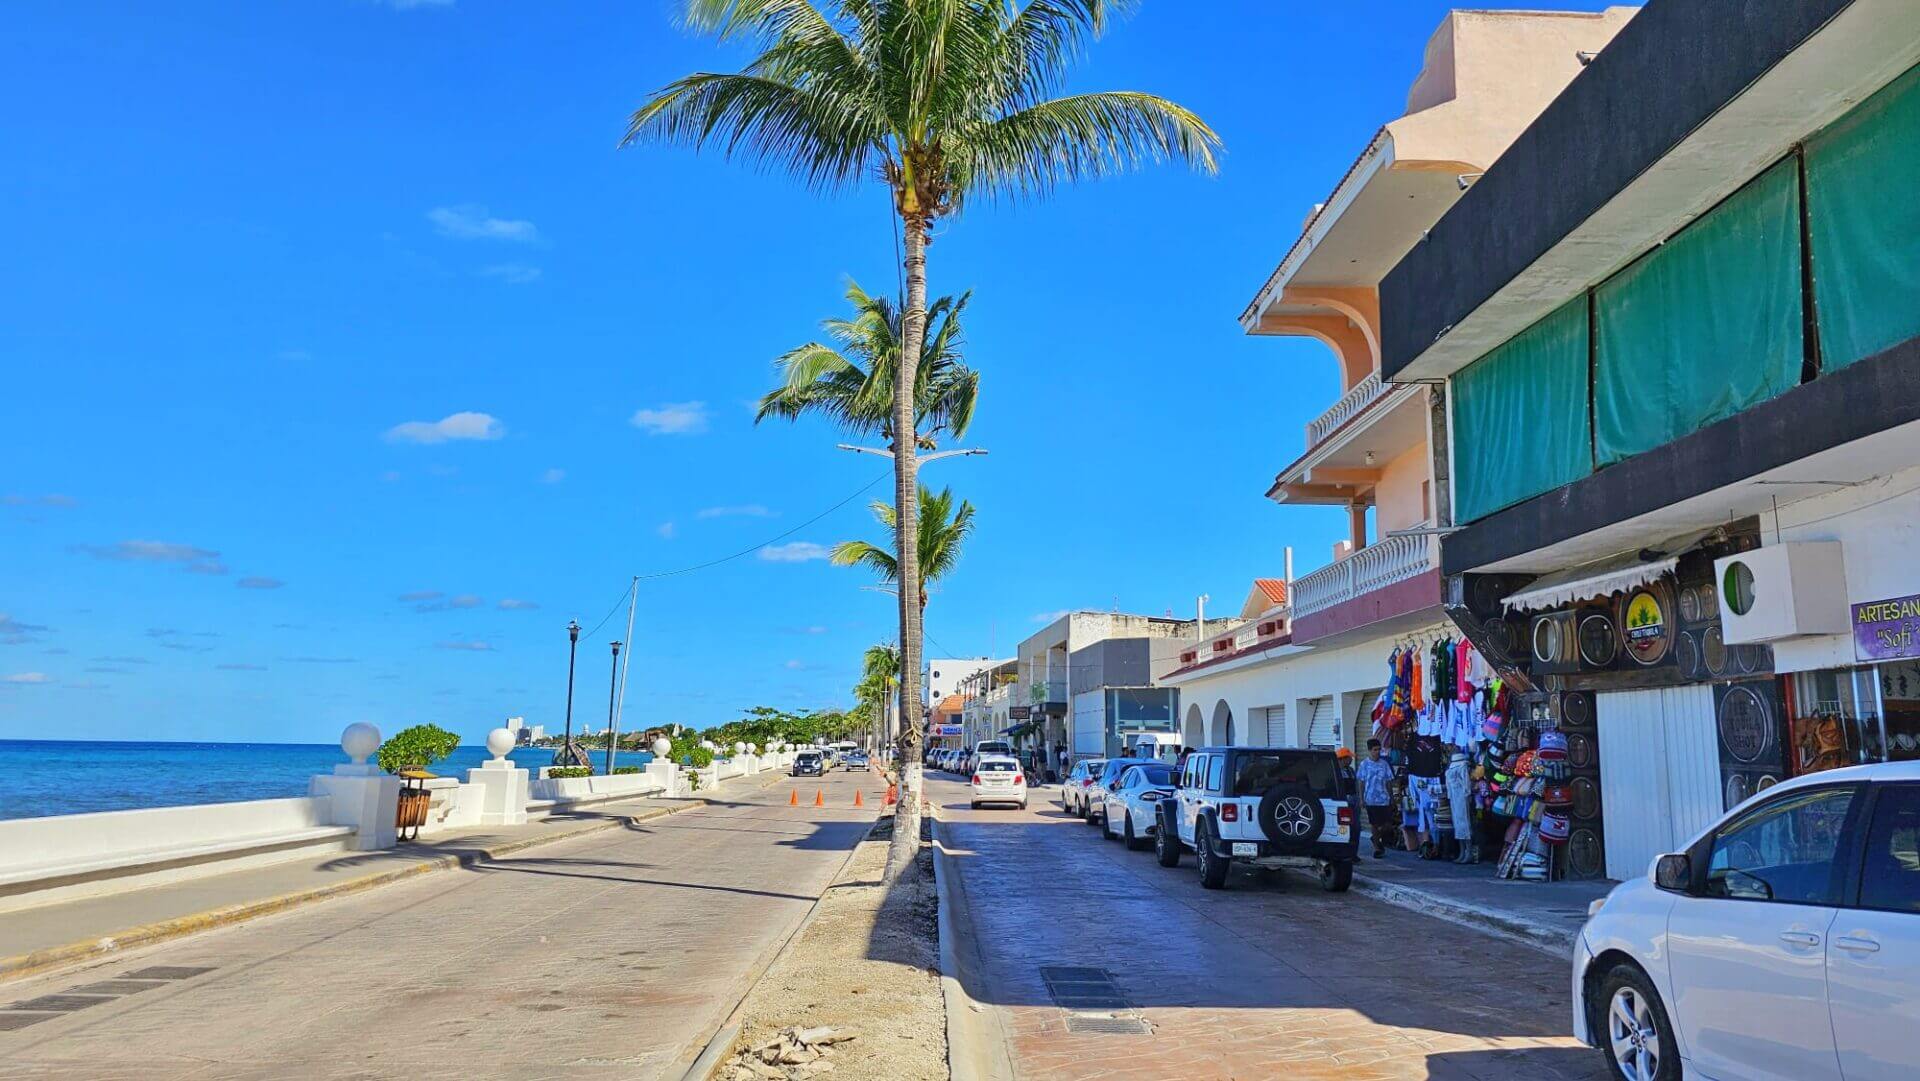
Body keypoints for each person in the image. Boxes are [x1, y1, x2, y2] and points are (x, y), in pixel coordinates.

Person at [1356, 739, 1395, 859]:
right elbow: (1361, 783)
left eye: (1379, 749)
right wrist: (1361, 799)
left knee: (1387, 825)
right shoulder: (1364, 764)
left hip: (1384, 799)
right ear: (1369, 751)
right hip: (1370, 799)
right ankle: (1377, 848)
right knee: (1374, 824)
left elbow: (1388, 781)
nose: (1377, 752)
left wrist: (1391, 797)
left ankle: (1376, 838)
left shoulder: (1384, 764)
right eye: (1375, 750)